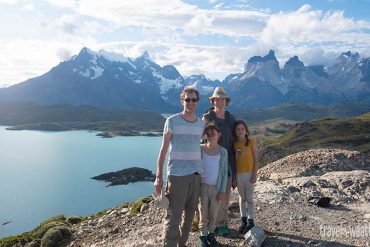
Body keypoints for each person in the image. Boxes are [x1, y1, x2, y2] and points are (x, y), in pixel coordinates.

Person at [154, 86, 204, 247]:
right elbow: (163, 150)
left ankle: (181, 244)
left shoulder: (200, 124)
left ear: (197, 102)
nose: (190, 102)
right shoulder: (172, 121)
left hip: (196, 175)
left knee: (190, 214)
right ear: (182, 101)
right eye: (187, 99)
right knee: (174, 215)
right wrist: (158, 177)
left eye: (193, 99)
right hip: (177, 175)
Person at [202, 87, 236, 236]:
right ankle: (208, 223)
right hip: (210, 157)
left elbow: (235, 140)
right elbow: (201, 137)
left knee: (224, 193)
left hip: (226, 159)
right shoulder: (208, 117)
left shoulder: (230, 118)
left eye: (223, 99)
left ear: (226, 102)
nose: (220, 102)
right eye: (217, 99)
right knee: (207, 193)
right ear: (213, 101)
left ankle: (221, 222)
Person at [198, 124, 228, 247]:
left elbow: (225, 173)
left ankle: (211, 234)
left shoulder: (223, 151)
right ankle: (203, 236)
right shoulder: (200, 149)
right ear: (205, 135)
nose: (211, 137)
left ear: (218, 135)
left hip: (216, 188)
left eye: (213, 134)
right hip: (202, 187)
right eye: (208, 134)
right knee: (203, 212)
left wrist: (222, 190)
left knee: (213, 213)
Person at [233, 120, 258, 234]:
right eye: (238, 129)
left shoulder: (252, 142)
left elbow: (256, 159)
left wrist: (254, 174)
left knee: (249, 198)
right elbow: (233, 161)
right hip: (238, 174)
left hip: (249, 173)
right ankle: (243, 220)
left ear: (246, 130)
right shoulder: (234, 144)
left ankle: (251, 220)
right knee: (242, 197)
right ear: (235, 131)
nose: (240, 131)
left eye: (242, 129)